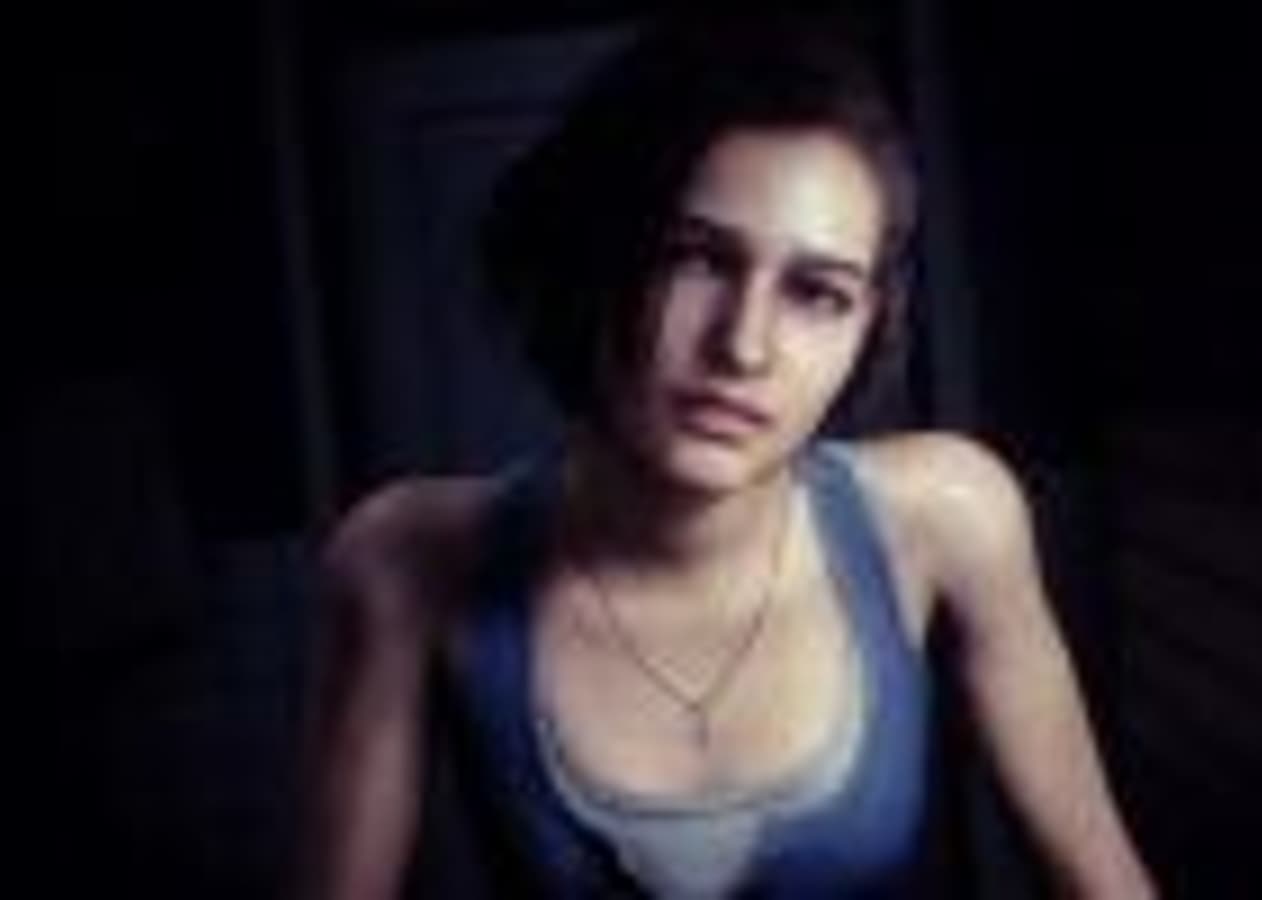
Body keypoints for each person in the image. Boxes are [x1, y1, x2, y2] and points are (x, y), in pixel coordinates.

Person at [297, 13, 1154, 899]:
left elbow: (1103, 880)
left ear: (868, 329)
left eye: (816, 293)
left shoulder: (949, 514)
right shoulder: (406, 559)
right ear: (590, 256)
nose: (744, 347)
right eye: (695, 258)